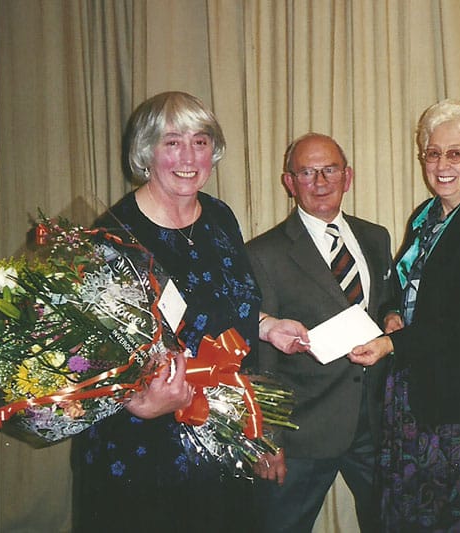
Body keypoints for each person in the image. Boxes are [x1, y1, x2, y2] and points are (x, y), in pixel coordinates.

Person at [72, 91, 308, 533]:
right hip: (143, 448)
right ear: (146, 151)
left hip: (221, 434)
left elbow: (225, 306)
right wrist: (140, 404)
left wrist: (268, 326)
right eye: (172, 142)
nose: (188, 156)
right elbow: (81, 360)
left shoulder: (219, 217)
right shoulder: (113, 237)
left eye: (200, 142)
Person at [349, 99, 460, 531]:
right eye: (433, 153)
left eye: (455, 154)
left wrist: (392, 343)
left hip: (458, 403)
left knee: (449, 518)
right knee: (404, 513)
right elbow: (403, 286)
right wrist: (392, 313)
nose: (442, 164)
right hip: (411, 389)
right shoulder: (426, 218)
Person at [246, 132, 394, 533]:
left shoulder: (375, 237)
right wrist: (267, 438)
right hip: (301, 433)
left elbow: (386, 302)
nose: (321, 182)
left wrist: (393, 316)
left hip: (373, 424)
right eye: (307, 173)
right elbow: (260, 356)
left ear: (348, 177)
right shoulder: (263, 253)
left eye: (330, 170)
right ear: (289, 182)